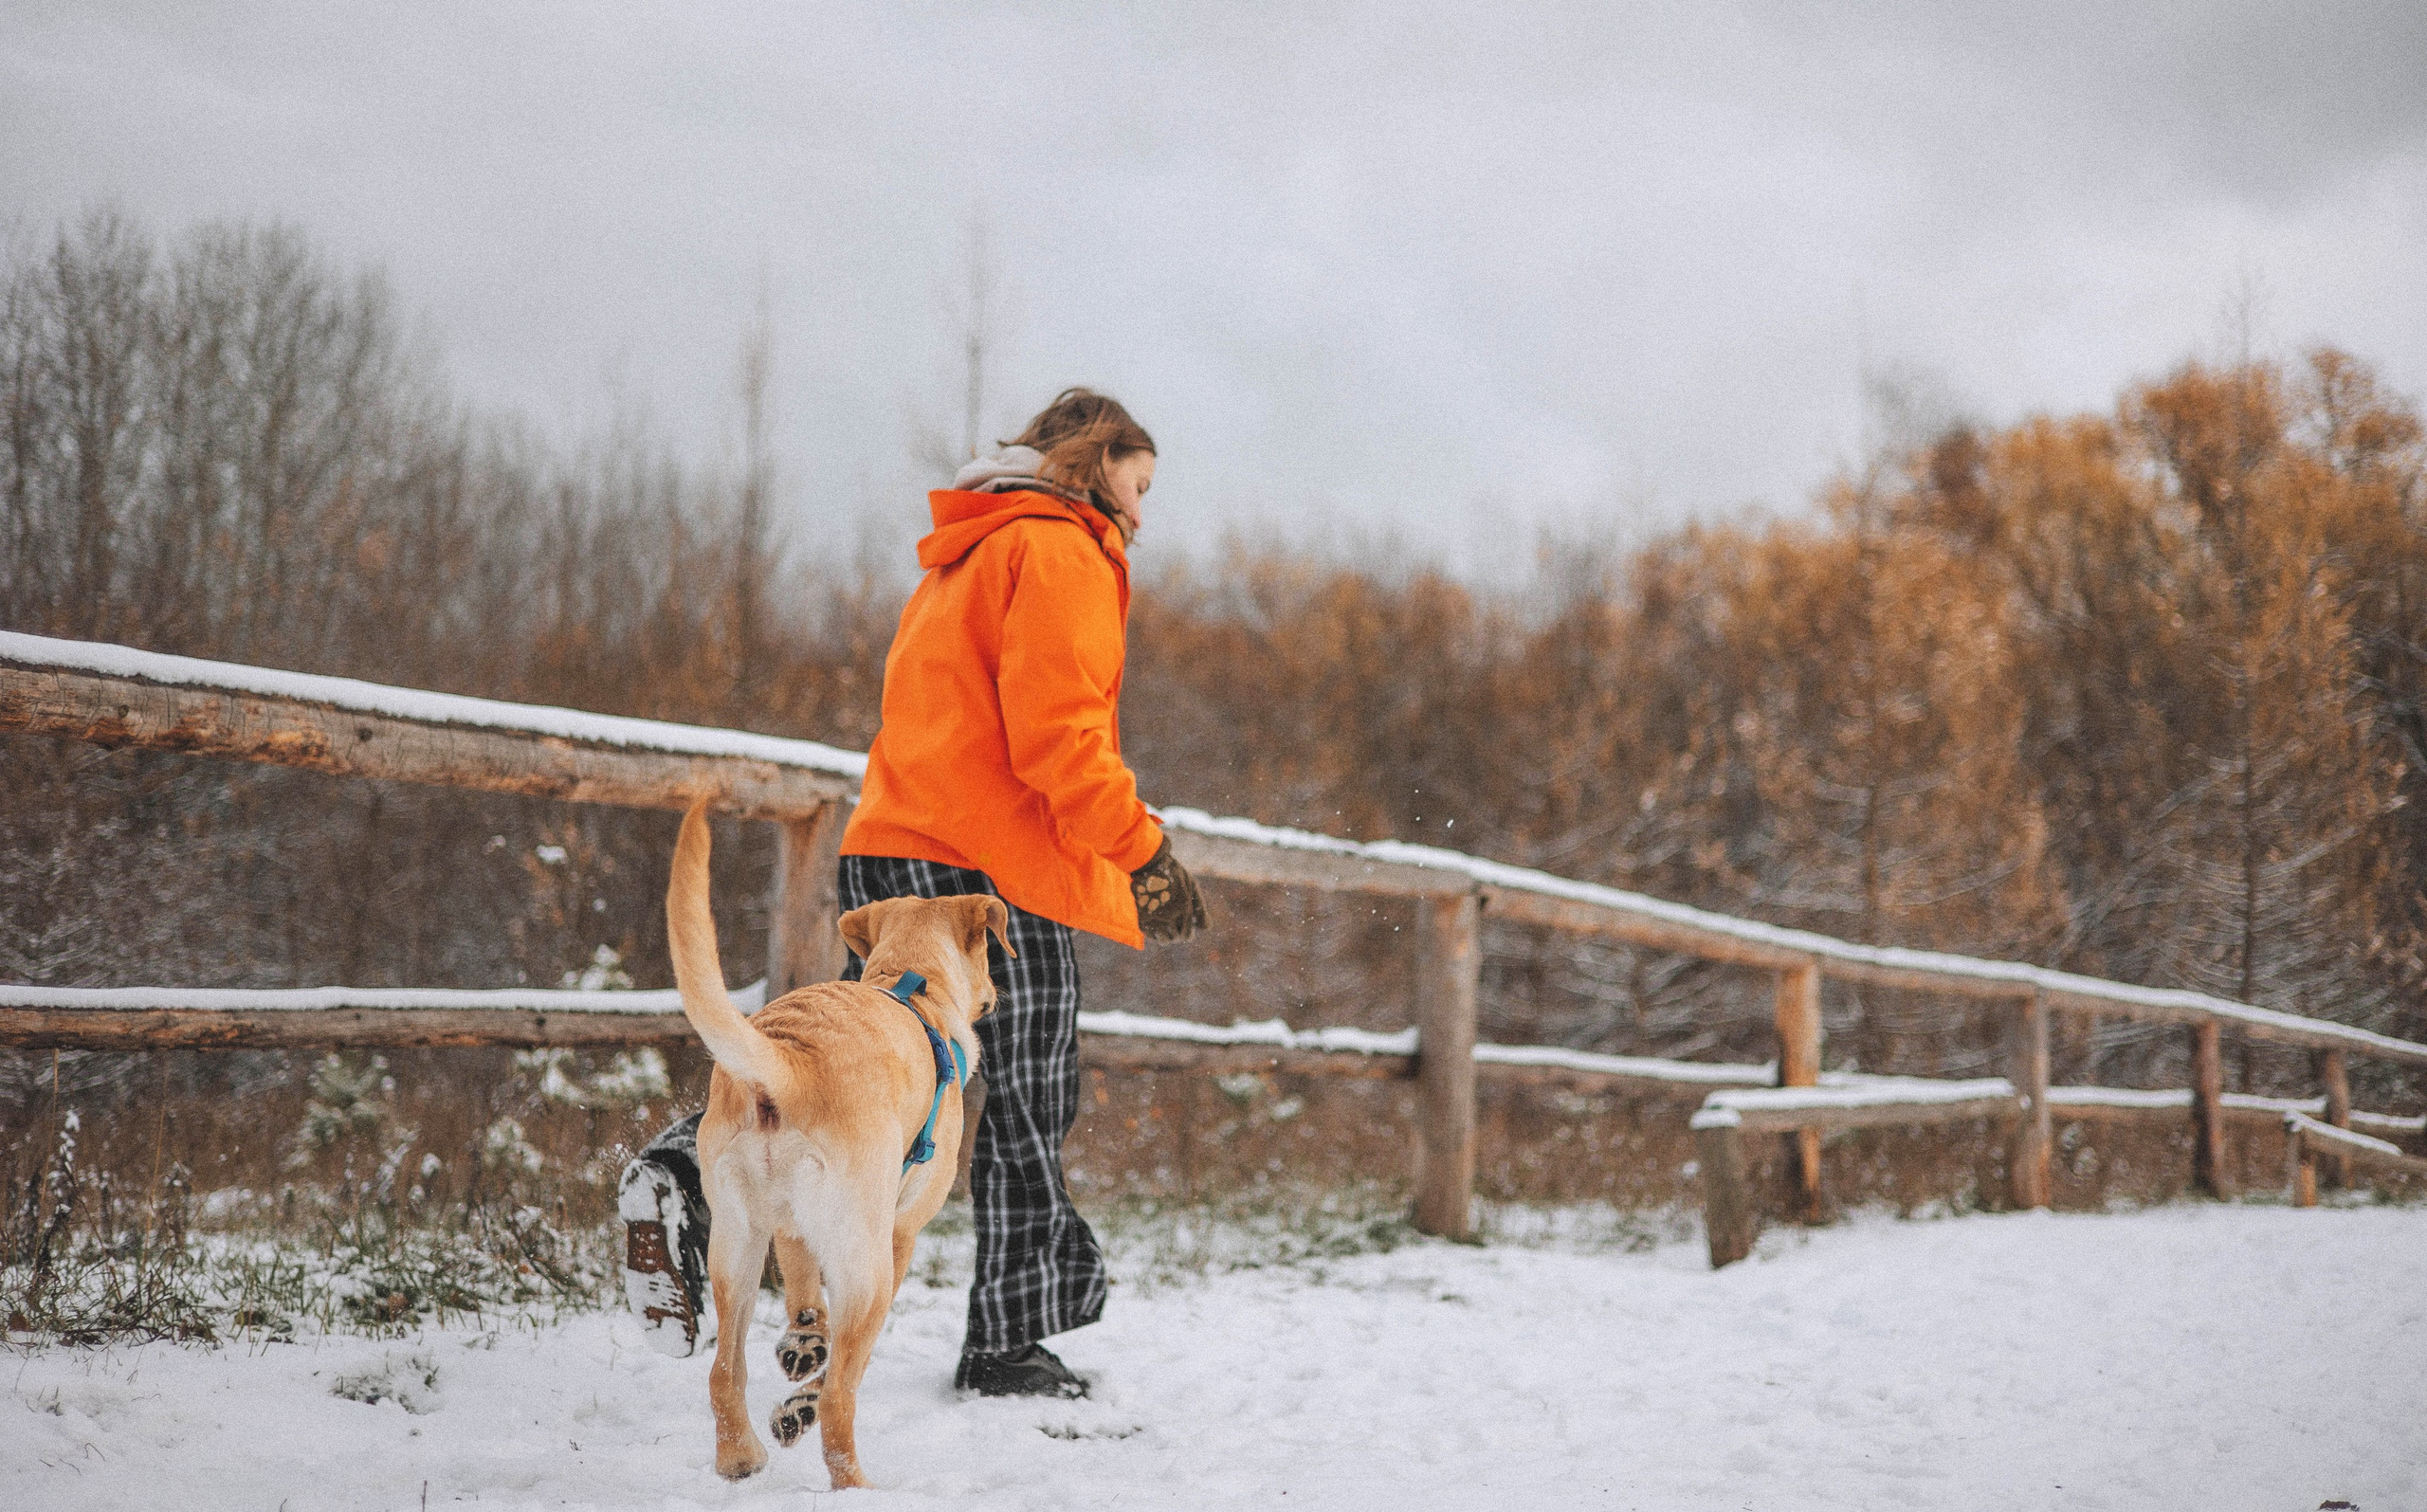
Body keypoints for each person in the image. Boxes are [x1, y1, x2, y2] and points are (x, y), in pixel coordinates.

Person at [619, 388, 1207, 1399]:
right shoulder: (1060, 547)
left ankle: (688, 1172)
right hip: (987, 873)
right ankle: (1007, 1341)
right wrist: (1143, 852)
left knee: (849, 1069)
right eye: (1139, 484)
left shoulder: (968, 550)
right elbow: (1058, 737)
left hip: (892, 847)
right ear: (1093, 461)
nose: (1143, 515)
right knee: (1025, 1095)